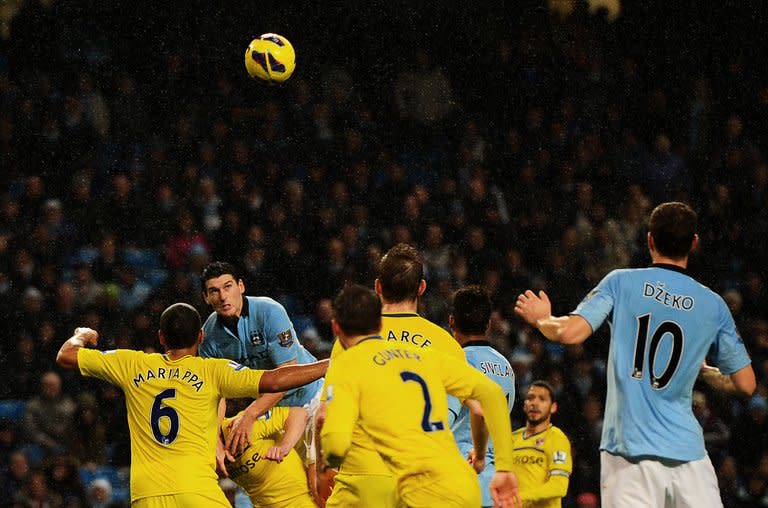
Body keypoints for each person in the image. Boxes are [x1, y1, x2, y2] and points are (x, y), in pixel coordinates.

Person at [514, 201, 756, 507]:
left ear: (650, 240)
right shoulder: (713, 305)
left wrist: (541, 319)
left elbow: (569, 333)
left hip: (629, 453)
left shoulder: (622, 282)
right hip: (690, 457)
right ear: (694, 244)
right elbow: (746, 384)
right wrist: (705, 371)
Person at [55, 302, 328, 507]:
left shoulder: (132, 364)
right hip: (195, 490)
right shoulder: (213, 371)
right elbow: (275, 380)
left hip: (146, 494)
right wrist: (328, 364)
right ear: (200, 337)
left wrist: (82, 333)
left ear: (161, 337)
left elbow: (66, 356)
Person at [320, 283, 521, 508]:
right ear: (379, 324)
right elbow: (490, 396)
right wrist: (500, 464)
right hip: (463, 484)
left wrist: (330, 459)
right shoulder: (427, 357)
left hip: (418, 487)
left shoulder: (347, 365)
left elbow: (336, 446)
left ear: (336, 328)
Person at [315, 243, 465, 507]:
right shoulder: (447, 344)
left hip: (360, 481)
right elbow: (449, 420)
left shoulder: (353, 336)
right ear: (421, 288)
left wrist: (323, 470)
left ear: (377, 287)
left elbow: (324, 415)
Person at [199, 261, 323, 465]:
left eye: (228, 286)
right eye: (214, 291)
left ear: (241, 286)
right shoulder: (209, 336)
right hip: (272, 414)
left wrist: (250, 414)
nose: (222, 296)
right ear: (206, 297)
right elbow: (215, 394)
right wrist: (216, 442)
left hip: (310, 400)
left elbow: (287, 376)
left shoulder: (269, 312)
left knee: (326, 481)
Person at [448, 285, 515, 508]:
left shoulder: (456, 361)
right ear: (487, 325)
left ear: (451, 322)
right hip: (493, 483)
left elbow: (444, 421)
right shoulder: (506, 366)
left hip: (458, 479)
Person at [222, 406, 317, 507]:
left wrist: (284, 447)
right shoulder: (207, 452)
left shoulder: (240, 426)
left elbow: (299, 414)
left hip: (302, 501)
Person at [511, 381, 572, 508]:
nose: (535, 403)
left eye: (542, 399)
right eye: (530, 398)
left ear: (553, 407)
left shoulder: (556, 438)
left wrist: (520, 498)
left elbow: (559, 486)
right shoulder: (513, 438)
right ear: (524, 405)